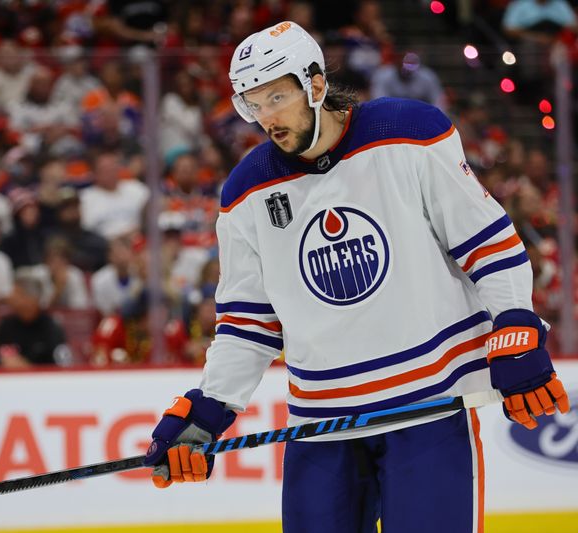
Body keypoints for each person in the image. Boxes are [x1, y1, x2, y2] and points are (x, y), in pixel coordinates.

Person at [143, 21, 570, 533]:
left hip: (427, 408)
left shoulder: (409, 133)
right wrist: (209, 407)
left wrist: (515, 322)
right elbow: (249, 325)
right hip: (322, 425)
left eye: (277, 97)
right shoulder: (245, 194)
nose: (267, 118)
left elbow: (488, 243)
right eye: (252, 105)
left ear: (316, 84)